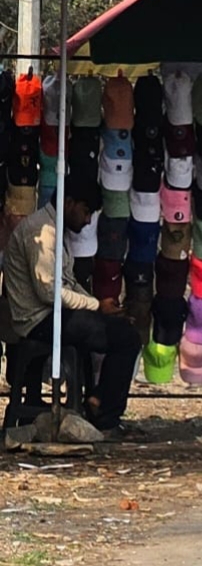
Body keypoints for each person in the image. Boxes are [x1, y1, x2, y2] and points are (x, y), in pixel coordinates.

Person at [4, 176, 142, 436]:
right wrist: (96, 306)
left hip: (53, 314)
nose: (88, 220)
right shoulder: (42, 232)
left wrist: (99, 306)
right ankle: (104, 413)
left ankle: (98, 400)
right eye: (86, 211)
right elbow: (49, 292)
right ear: (69, 203)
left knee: (121, 329)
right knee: (126, 338)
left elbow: (68, 282)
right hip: (38, 319)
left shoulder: (55, 230)